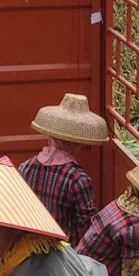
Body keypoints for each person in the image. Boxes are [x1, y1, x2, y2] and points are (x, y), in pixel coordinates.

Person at [19, 93, 108, 244]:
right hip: (61, 254)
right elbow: (85, 227)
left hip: (25, 249)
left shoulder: (25, 167)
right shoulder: (78, 179)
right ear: (77, 143)